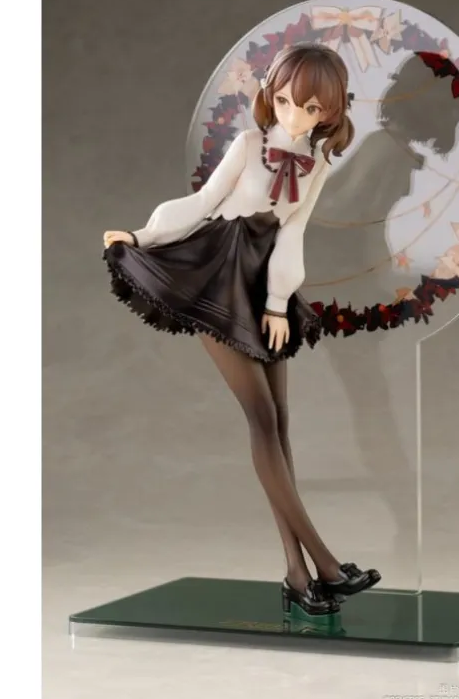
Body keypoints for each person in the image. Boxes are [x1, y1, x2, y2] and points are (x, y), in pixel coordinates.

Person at [102, 43, 381, 618]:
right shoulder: (249, 144)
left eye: (310, 108)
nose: (294, 115)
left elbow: (292, 234)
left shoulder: (318, 165)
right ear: (270, 96)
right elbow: (204, 202)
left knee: (280, 422)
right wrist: (143, 236)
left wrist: (278, 303)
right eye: (285, 101)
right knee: (260, 417)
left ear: (329, 112)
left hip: (265, 283)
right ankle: (327, 564)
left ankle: (299, 577)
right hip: (218, 273)